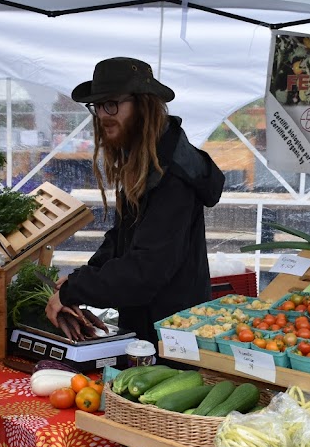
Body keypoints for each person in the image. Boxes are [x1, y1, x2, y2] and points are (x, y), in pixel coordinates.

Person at [45, 57, 225, 344]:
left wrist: (76, 290)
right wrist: (82, 278)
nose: (103, 114)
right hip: (144, 325)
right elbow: (122, 238)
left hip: (172, 335)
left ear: (143, 105)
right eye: (98, 106)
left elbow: (145, 271)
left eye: (112, 104)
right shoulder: (143, 158)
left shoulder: (171, 174)